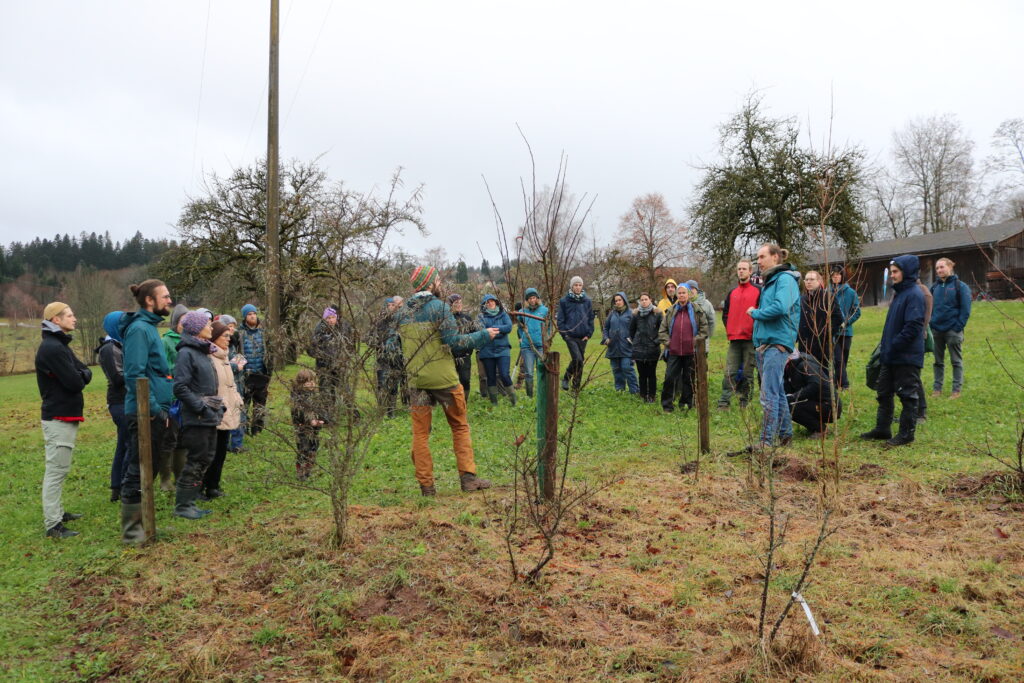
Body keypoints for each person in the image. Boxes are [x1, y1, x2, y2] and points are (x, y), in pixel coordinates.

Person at [398, 265, 498, 496]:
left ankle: (427, 487)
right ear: (430, 283)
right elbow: (455, 343)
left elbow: (395, 347)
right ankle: (468, 479)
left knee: (420, 434)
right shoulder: (439, 308)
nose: (440, 284)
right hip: (444, 380)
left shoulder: (402, 312)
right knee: (460, 426)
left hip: (416, 380)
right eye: (437, 280)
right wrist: (484, 335)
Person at [118, 279, 175, 544]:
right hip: (144, 413)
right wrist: (151, 409)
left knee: (147, 469)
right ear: (149, 301)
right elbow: (134, 375)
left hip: (155, 410)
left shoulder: (150, 328)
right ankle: (132, 533)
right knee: (137, 469)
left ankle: (145, 528)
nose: (169, 301)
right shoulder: (139, 330)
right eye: (164, 297)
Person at [35, 302, 92, 539]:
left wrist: (81, 374)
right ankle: (53, 524)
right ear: (55, 320)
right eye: (69, 315)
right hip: (58, 416)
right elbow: (77, 381)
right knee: (56, 470)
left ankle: (57, 512)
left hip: (64, 414)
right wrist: (81, 375)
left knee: (60, 468)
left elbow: (85, 371)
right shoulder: (53, 348)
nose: (75, 318)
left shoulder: (60, 345)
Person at [860, 254, 926, 447]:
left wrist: (895, 345)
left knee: (907, 395)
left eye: (896, 272)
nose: (893, 275)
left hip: (906, 356)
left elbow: (913, 326)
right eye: (892, 272)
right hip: (890, 355)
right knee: (883, 392)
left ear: (907, 272)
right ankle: (882, 429)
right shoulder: (900, 294)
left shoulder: (914, 294)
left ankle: (906, 435)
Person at [747, 244, 801, 450]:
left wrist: (755, 313)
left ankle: (766, 441)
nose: (758, 261)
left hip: (776, 343)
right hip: (766, 343)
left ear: (775, 257)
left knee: (768, 395)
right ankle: (786, 435)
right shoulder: (771, 281)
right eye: (757, 257)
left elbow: (780, 307)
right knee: (777, 392)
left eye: (762, 257)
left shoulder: (785, 279)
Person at [173, 311, 225, 519]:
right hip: (197, 418)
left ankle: (191, 502)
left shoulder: (202, 351)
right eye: (207, 324)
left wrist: (217, 407)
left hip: (208, 415)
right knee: (196, 459)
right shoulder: (187, 353)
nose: (211, 328)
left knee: (205, 458)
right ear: (196, 328)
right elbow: (180, 387)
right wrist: (201, 408)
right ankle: (183, 506)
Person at [201, 322, 244, 500]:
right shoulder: (209, 358)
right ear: (215, 337)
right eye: (225, 336)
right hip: (215, 412)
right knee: (210, 453)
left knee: (220, 452)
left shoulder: (224, 356)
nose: (229, 339)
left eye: (229, 336)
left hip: (227, 411)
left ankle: (213, 486)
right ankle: (201, 487)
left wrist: (237, 400)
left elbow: (231, 384)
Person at [658, 285, 709, 412]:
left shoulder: (697, 310)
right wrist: (668, 342)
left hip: (691, 352)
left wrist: (695, 340)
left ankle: (686, 404)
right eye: (679, 293)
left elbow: (704, 329)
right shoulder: (670, 311)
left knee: (689, 379)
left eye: (683, 293)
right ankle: (667, 405)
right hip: (673, 352)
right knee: (669, 378)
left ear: (688, 295)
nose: (681, 295)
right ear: (677, 295)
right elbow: (662, 330)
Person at [718, 260, 761, 409]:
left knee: (748, 373)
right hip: (734, 339)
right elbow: (725, 314)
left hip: (750, 339)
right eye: (739, 269)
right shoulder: (732, 292)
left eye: (744, 269)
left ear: (750, 271)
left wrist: (754, 330)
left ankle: (745, 401)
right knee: (729, 371)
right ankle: (724, 402)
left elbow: (761, 313)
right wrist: (730, 328)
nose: (741, 271)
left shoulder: (758, 291)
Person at [930, 257, 972, 399]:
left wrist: (957, 327)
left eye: (942, 267)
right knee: (937, 362)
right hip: (936, 330)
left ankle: (956, 391)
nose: (939, 270)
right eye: (937, 268)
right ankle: (937, 390)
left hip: (953, 331)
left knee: (956, 361)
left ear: (950, 267)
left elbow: (965, 310)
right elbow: (928, 308)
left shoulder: (961, 286)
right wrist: (931, 324)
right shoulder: (933, 287)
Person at [96, 311, 127, 503]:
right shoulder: (109, 348)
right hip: (119, 401)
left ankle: (119, 486)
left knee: (125, 443)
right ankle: (121, 485)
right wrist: (139, 372)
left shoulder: (119, 345)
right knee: (126, 443)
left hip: (126, 399)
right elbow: (117, 378)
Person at [158, 303, 189, 491]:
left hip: (188, 395)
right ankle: (165, 479)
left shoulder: (193, 339)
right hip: (172, 395)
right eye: (182, 321)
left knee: (184, 440)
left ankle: (181, 476)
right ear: (176, 323)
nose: (185, 325)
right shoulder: (166, 341)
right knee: (169, 439)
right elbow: (164, 367)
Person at [783, 351, 841, 438]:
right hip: (816, 403)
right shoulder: (789, 369)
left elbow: (815, 385)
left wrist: (793, 397)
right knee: (786, 404)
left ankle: (820, 429)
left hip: (829, 406)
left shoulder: (805, 365)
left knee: (792, 408)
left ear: (788, 359)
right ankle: (814, 426)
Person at [797, 270, 843, 373]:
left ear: (819, 281)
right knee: (807, 370)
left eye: (812, 279)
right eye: (806, 279)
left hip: (822, 343)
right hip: (805, 343)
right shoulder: (802, 299)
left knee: (823, 372)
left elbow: (838, 318)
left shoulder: (828, 297)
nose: (809, 282)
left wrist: (826, 334)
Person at [238, 304, 273, 435]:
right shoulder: (239, 333)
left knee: (260, 403)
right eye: (249, 314)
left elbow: (270, 352)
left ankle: (257, 428)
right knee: (244, 402)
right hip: (246, 374)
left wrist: (268, 371)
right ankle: (244, 427)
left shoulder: (263, 333)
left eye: (254, 313)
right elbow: (237, 352)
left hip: (261, 373)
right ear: (245, 317)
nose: (252, 316)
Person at [557, 275, 595, 392]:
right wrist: (565, 334)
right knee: (577, 359)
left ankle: (575, 388)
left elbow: (590, 319)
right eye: (575, 285)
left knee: (579, 361)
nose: (578, 287)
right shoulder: (564, 301)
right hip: (570, 336)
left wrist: (588, 334)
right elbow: (560, 320)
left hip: (583, 336)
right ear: (571, 286)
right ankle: (566, 378)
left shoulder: (587, 301)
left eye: (580, 285)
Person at [310, 306, 351, 415]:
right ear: (324, 319)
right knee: (325, 392)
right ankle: (328, 417)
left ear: (336, 317)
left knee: (345, 390)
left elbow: (349, 346)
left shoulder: (343, 327)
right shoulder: (318, 330)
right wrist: (320, 353)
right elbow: (311, 348)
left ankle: (353, 415)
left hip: (339, 365)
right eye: (328, 318)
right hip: (323, 366)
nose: (330, 320)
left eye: (332, 317)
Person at [477, 294, 516, 406]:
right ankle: (494, 403)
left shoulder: (503, 314)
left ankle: (513, 401)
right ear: (484, 305)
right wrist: (499, 331)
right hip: (487, 350)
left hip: (503, 349)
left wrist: (493, 330)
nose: (490, 303)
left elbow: (508, 327)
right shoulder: (481, 317)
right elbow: (481, 331)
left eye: (492, 301)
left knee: (504, 374)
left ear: (496, 302)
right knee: (491, 376)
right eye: (487, 302)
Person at [216, 314, 246, 451]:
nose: (232, 330)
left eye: (233, 326)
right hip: (226, 387)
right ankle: (232, 444)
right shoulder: (219, 347)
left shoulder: (233, 342)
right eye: (229, 327)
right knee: (230, 413)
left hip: (237, 382)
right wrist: (235, 367)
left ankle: (236, 443)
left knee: (238, 412)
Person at [828, 264, 861, 390]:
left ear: (842, 276)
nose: (836, 277)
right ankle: (845, 385)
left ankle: (837, 382)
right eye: (833, 275)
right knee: (838, 359)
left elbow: (857, 311)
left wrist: (846, 322)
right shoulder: (827, 292)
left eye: (838, 274)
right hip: (833, 332)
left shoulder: (851, 292)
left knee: (843, 360)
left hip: (846, 332)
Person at [290, 368, 326, 481]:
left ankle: (309, 470)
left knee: (313, 448)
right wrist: (308, 421)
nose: (311, 383)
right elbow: (298, 413)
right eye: (308, 381)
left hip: (315, 429)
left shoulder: (315, 396)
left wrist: (322, 419)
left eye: (313, 381)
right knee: (303, 449)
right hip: (302, 428)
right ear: (301, 383)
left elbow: (321, 409)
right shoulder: (297, 398)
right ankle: (301, 472)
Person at [374, 296, 406, 416]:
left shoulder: (399, 320)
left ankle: (391, 411)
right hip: (382, 358)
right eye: (390, 305)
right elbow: (370, 338)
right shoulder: (379, 322)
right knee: (382, 384)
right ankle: (381, 410)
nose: (392, 307)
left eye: (394, 305)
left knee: (394, 384)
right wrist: (380, 344)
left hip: (397, 358)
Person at [628, 293, 662, 403]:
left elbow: (662, 330)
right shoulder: (635, 314)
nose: (644, 301)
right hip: (639, 349)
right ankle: (643, 394)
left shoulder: (657, 313)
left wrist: (656, 341)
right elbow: (631, 330)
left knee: (651, 374)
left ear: (650, 300)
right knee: (642, 374)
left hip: (653, 348)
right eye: (641, 299)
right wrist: (635, 342)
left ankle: (652, 395)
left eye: (646, 299)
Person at [601, 292, 638, 394]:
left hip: (626, 346)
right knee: (616, 370)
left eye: (619, 300)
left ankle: (634, 391)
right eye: (616, 300)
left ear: (624, 300)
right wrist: (606, 338)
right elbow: (606, 328)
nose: (618, 302)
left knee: (627, 368)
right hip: (613, 347)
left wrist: (631, 338)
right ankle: (620, 390)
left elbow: (636, 329)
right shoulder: (612, 314)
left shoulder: (631, 313)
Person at [516, 288, 547, 398]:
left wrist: (546, 337)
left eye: (534, 297)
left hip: (540, 345)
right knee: (529, 372)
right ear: (527, 300)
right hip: (527, 346)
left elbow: (549, 325)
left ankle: (542, 393)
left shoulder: (544, 310)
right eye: (530, 298)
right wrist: (522, 337)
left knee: (541, 370)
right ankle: (530, 396)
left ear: (537, 298)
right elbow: (519, 327)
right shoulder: (522, 312)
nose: (532, 300)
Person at [448, 294, 478, 397]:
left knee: (465, 379)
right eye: (456, 303)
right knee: (452, 381)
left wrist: (470, 348)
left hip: (465, 355)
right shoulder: (447, 319)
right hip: (450, 356)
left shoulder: (467, 318)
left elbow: (474, 334)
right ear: (451, 305)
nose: (459, 305)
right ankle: (453, 401)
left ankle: (464, 401)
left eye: (460, 302)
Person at [683, 280, 715, 352]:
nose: (690, 290)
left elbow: (712, 322)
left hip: (701, 344)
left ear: (697, 290)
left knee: (700, 363)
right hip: (685, 345)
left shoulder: (706, 304)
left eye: (693, 288)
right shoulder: (682, 304)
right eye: (688, 288)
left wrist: (706, 336)